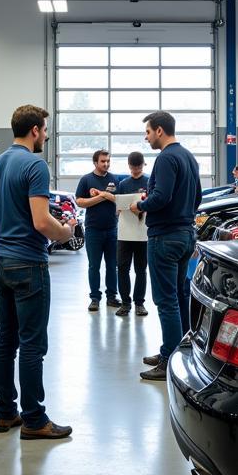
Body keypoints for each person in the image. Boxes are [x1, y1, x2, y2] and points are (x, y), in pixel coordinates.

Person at [0, 105, 77, 441]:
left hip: (0, 260)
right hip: (29, 264)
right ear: (35, 130)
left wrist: (9, 235)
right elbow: (41, 221)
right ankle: (35, 419)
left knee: (5, 339)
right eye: (46, 130)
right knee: (33, 344)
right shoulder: (35, 165)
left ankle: (6, 413)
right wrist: (66, 231)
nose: (46, 136)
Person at [130, 111, 201, 381]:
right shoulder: (188, 157)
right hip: (185, 234)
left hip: (164, 237)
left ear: (159, 131)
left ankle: (170, 357)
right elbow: (197, 196)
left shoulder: (165, 158)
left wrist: (141, 205)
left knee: (165, 299)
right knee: (180, 296)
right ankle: (179, 349)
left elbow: (160, 197)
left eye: (148, 132)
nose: (146, 138)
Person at [75, 149, 120, 313]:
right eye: (103, 161)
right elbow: (79, 202)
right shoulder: (86, 180)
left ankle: (112, 296)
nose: (106, 164)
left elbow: (119, 200)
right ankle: (95, 298)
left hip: (112, 229)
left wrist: (105, 195)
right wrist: (103, 196)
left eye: (108, 161)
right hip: (93, 230)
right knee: (94, 266)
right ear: (95, 162)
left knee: (112, 265)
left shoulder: (114, 179)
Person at [114, 151, 149, 318]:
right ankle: (125, 303)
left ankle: (139, 303)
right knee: (122, 268)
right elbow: (118, 207)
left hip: (142, 232)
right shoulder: (123, 184)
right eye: (133, 167)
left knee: (141, 269)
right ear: (129, 166)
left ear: (143, 165)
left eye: (139, 167)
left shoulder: (149, 182)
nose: (136, 170)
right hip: (125, 232)